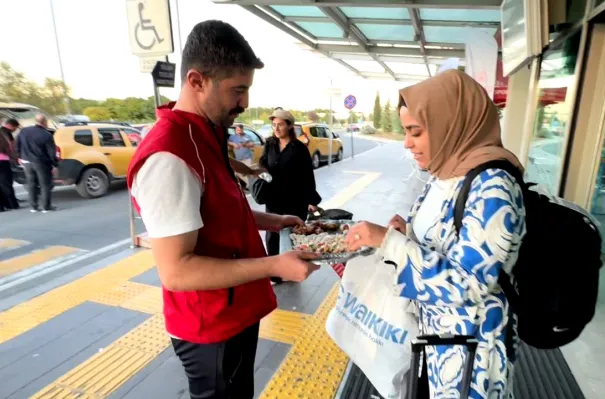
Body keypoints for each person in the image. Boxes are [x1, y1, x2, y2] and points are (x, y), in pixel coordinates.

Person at [126, 20, 320, 399]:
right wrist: (274, 265)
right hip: (210, 327)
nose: (245, 103)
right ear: (197, 81)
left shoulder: (204, 134)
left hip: (231, 310)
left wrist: (274, 220)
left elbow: (217, 213)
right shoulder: (171, 155)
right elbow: (177, 271)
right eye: (238, 90)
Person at [346, 70, 525, 399]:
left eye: (415, 132)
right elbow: (445, 245)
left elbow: (470, 282)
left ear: (450, 124)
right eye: (404, 132)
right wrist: (406, 234)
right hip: (435, 342)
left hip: (472, 356)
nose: (407, 143)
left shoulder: (494, 185)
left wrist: (389, 244)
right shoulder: (447, 172)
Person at [260, 108, 321, 285]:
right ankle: (274, 274)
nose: (276, 128)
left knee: (293, 235)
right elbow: (264, 163)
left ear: (289, 126)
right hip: (274, 198)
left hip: (295, 199)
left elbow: (307, 175)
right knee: (272, 235)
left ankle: (292, 268)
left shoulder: (299, 148)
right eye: (274, 125)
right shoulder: (270, 144)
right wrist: (262, 174)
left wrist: (312, 201)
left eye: (280, 125)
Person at [15, 114, 58, 213]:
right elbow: (51, 153)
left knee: (31, 184)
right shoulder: (47, 135)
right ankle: (46, 207)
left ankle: (34, 207)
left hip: (26, 162)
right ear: (45, 122)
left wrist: (18, 156)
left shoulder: (24, 131)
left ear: (36, 121)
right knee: (44, 185)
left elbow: (17, 144)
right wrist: (54, 164)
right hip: (40, 163)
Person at [0, 121, 19, 211]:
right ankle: (12, 204)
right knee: (6, 183)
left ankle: (2, 206)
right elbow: (11, 147)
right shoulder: (6, 133)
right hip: (3, 160)